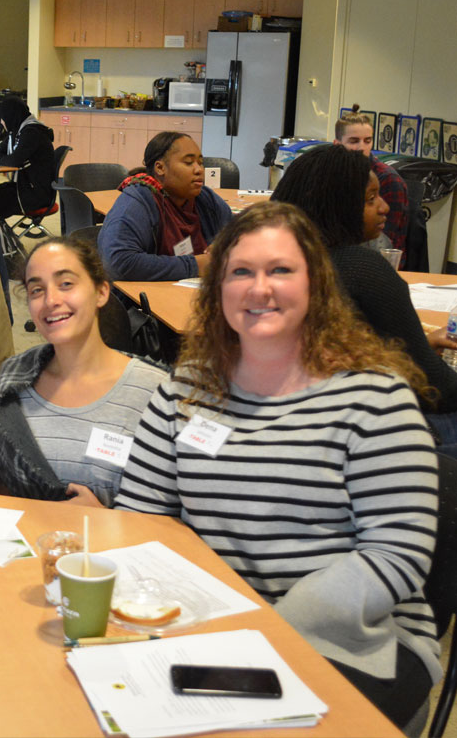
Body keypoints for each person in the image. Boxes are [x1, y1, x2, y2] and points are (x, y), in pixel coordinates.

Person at [115, 202, 440, 733]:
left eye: (280, 271)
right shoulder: (185, 390)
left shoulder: (375, 398)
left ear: (316, 286)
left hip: (354, 638)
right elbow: (141, 521)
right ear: (217, 289)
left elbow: (396, 553)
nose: (259, 288)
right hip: (205, 626)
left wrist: (266, 627)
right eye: (241, 272)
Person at [271, 143, 457, 453]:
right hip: (363, 439)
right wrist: (423, 357)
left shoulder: (268, 263)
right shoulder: (361, 268)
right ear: (336, 206)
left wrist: (419, 344)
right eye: (370, 199)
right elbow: (433, 388)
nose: (385, 207)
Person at [0, 238, 166, 505]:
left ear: (101, 292)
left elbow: (180, 515)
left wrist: (107, 520)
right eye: (36, 289)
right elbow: (7, 494)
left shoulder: (155, 392)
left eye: (66, 284)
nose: (51, 300)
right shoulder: (13, 379)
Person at [98, 131, 233, 281]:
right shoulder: (138, 202)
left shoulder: (206, 199)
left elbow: (239, 236)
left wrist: (225, 246)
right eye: (188, 163)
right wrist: (196, 265)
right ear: (160, 168)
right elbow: (118, 263)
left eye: (200, 163)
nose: (199, 170)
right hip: (142, 300)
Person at [335, 105, 409, 254]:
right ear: (337, 144)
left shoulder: (389, 180)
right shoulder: (332, 173)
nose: (361, 147)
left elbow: (386, 243)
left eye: (367, 141)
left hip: (376, 258)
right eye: (354, 141)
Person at [0, 96, 55, 219]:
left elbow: (13, 161)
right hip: (24, 187)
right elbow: (0, 150)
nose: (2, 123)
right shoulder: (18, 131)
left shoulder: (32, 133)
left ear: (10, 116)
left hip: (34, 194)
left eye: (3, 118)